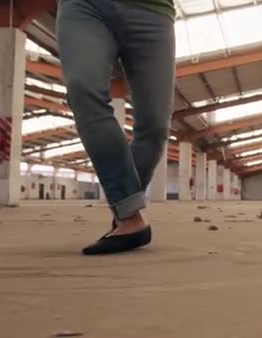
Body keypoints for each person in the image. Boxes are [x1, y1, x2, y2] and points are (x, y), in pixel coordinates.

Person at [56, 0, 176, 255]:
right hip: (85, 7)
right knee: (83, 90)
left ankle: (124, 208)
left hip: (153, 9)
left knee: (154, 124)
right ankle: (130, 216)